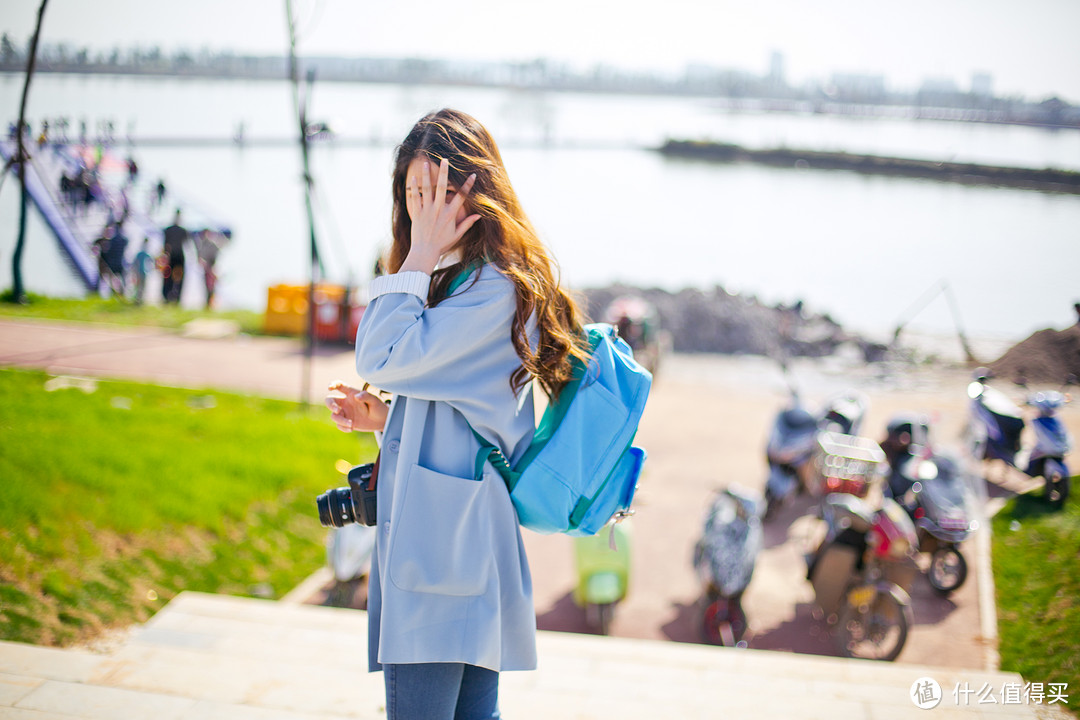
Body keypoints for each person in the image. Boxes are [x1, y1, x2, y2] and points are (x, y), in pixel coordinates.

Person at [324, 108, 591, 720]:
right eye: (415, 194)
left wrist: (415, 254)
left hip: (444, 553)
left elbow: (382, 354)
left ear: (477, 192)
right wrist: (390, 421)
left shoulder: (490, 289)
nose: (425, 211)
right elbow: (470, 410)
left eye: (441, 194)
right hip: (460, 541)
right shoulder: (469, 282)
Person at [161, 209, 188, 304]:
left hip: (175, 256)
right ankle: (169, 296)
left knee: (175, 278)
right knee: (169, 277)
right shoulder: (177, 230)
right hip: (173, 256)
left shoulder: (174, 230)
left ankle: (173, 296)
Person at [131, 237, 153, 305]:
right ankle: (138, 300)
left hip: (143, 272)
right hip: (140, 272)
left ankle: (139, 300)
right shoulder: (142, 253)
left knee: (141, 287)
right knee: (139, 287)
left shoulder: (143, 253)